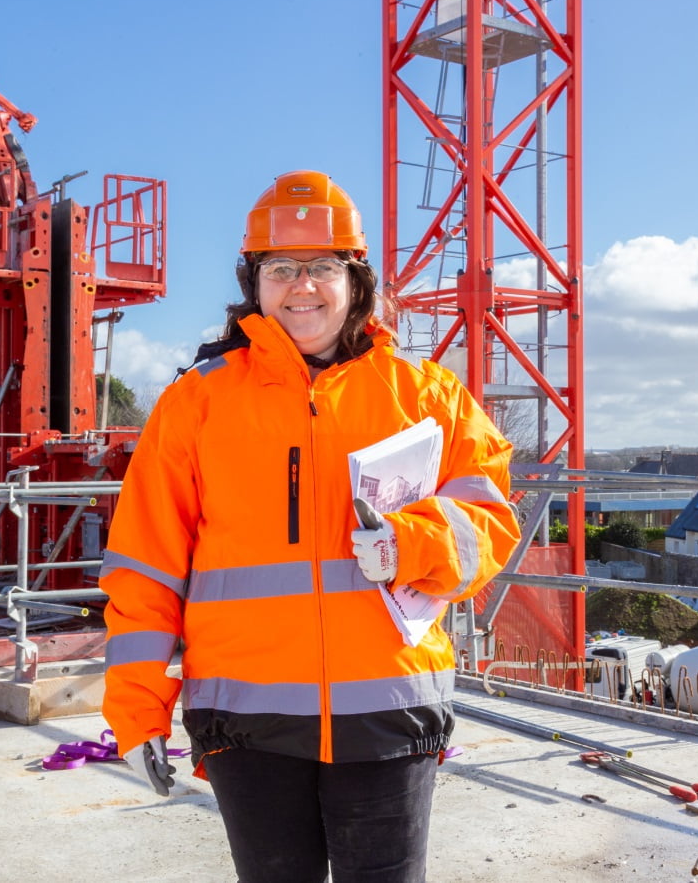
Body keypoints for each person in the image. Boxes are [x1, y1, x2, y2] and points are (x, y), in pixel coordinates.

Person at [101, 170, 520, 883]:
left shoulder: (428, 395)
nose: (302, 286)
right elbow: (145, 565)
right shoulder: (197, 403)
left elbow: (490, 521)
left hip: (389, 709)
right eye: (280, 269)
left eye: (322, 266)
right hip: (246, 720)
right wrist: (137, 710)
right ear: (253, 284)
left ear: (355, 279)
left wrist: (413, 542)